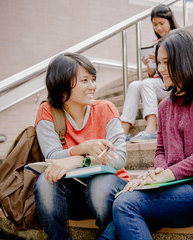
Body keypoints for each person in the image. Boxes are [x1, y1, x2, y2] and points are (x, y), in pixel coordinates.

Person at [111, 30, 193, 239]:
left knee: (125, 205)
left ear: (184, 60)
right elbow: (161, 150)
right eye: (159, 62)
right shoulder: (165, 105)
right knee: (116, 217)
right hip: (175, 185)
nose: (160, 69)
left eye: (167, 62)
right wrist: (158, 173)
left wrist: (166, 175)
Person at [34, 52, 130, 240]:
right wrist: (81, 148)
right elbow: (52, 156)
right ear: (63, 84)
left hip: (109, 191)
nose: (93, 86)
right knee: (45, 182)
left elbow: (119, 159)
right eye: (85, 80)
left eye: (93, 80)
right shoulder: (47, 111)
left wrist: (79, 161)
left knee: (100, 185)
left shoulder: (106, 108)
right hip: (71, 195)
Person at [120, 4, 178, 143]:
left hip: (174, 82)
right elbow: (153, 76)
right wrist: (151, 66)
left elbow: (180, 64)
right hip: (159, 81)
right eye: (155, 24)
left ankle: (151, 128)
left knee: (146, 83)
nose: (158, 28)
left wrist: (163, 60)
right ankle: (123, 132)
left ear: (170, 21)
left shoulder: (178, 37)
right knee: (134, 84)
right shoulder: (154, 43)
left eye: (161, 23)